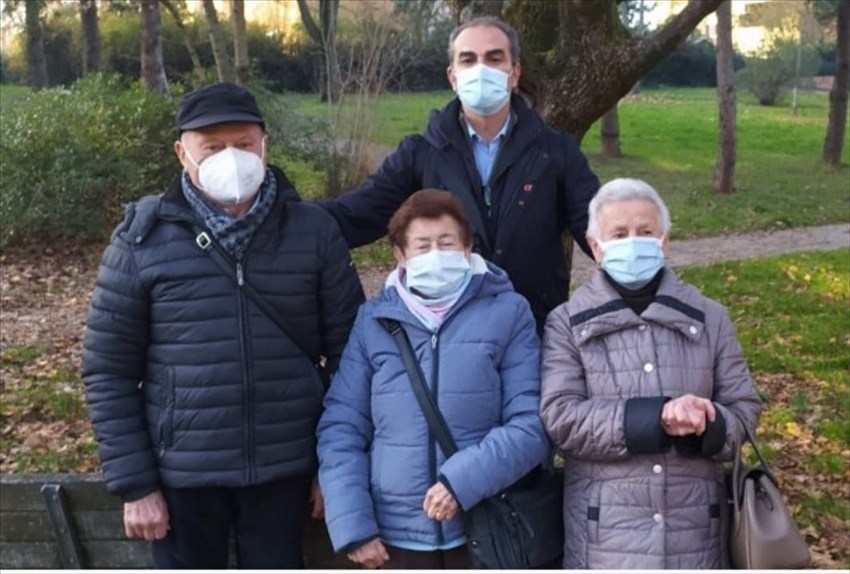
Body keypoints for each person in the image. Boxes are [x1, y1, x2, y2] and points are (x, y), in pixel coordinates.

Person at [81, 82, 365, 569]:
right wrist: (137, 484)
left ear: (264, 145)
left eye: (243, 144)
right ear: (182, 153)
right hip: (183, 479)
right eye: (212, 147)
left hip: (286, 470)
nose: (231, 159)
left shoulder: (313, 230)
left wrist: (336, 469)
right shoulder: (141, 240)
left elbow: (354, 357)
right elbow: (108, 370)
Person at [316, 189, 551, 569]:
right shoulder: (373, 321)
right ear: (400, 255)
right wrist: (353, 526)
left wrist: (462, 483)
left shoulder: (509, 312)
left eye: (446, 242)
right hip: (393, 538)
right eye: (422, 245)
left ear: (468, 247)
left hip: (483, 525)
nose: (435, 255)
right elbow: (342, 427)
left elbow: (532, 424)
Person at [321, 16, 600, 333]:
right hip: (452, 334)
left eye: (494, 58)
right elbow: (356, 214)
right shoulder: (421, 153)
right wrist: (284, 214)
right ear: (453, 77)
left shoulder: (555, 151)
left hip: (535, 331)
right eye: (468, 59)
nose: (481, 69)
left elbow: (601, 231)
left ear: (515, 73)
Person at [540, 178, 763, 569]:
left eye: (645, 232)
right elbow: (561, 419)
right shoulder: (566, 322)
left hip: (697, 534)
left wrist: (706, 423)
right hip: (604, 539)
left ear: (664, 240)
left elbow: (744, 413)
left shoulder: (711, 317)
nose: (633, 242)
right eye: (620, 233)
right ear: (595, 246)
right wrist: (657, 417)